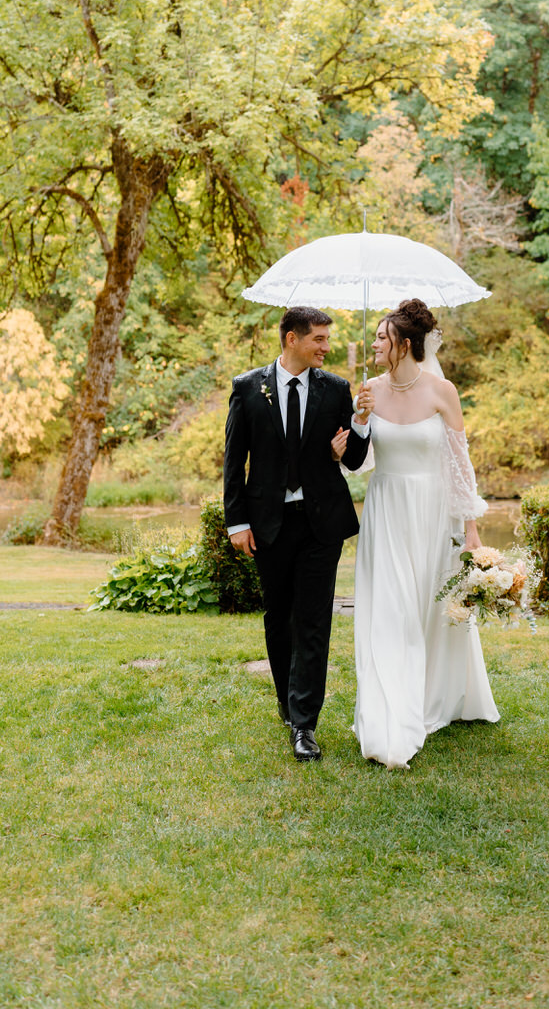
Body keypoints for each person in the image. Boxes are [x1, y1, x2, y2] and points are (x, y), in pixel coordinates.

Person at [352, 298, 499, 769]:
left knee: (431, 607)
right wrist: (355, 424)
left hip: (435, 512)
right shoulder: (368, 390)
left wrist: (471, 531)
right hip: (387, 509)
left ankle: (437, 694)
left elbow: (459, 463)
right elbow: (357, 460)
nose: (374, 343)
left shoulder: (442, 390)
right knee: (391, 609)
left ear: (406, 343)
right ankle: (391, 709)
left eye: (381, 336)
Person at [223, 306, 371, 762]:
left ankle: (305, 724)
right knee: (279, 617)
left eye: (328, 339)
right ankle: (289, 707)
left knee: (313, 620)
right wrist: (236, 522)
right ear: (292, 339)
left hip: (320, 524)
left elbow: (353, 461)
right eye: (319, 339)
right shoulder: (248, 388)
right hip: (268, 523)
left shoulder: (336, 389)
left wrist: (360, 424)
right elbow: (234, 460)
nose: (326, 347)